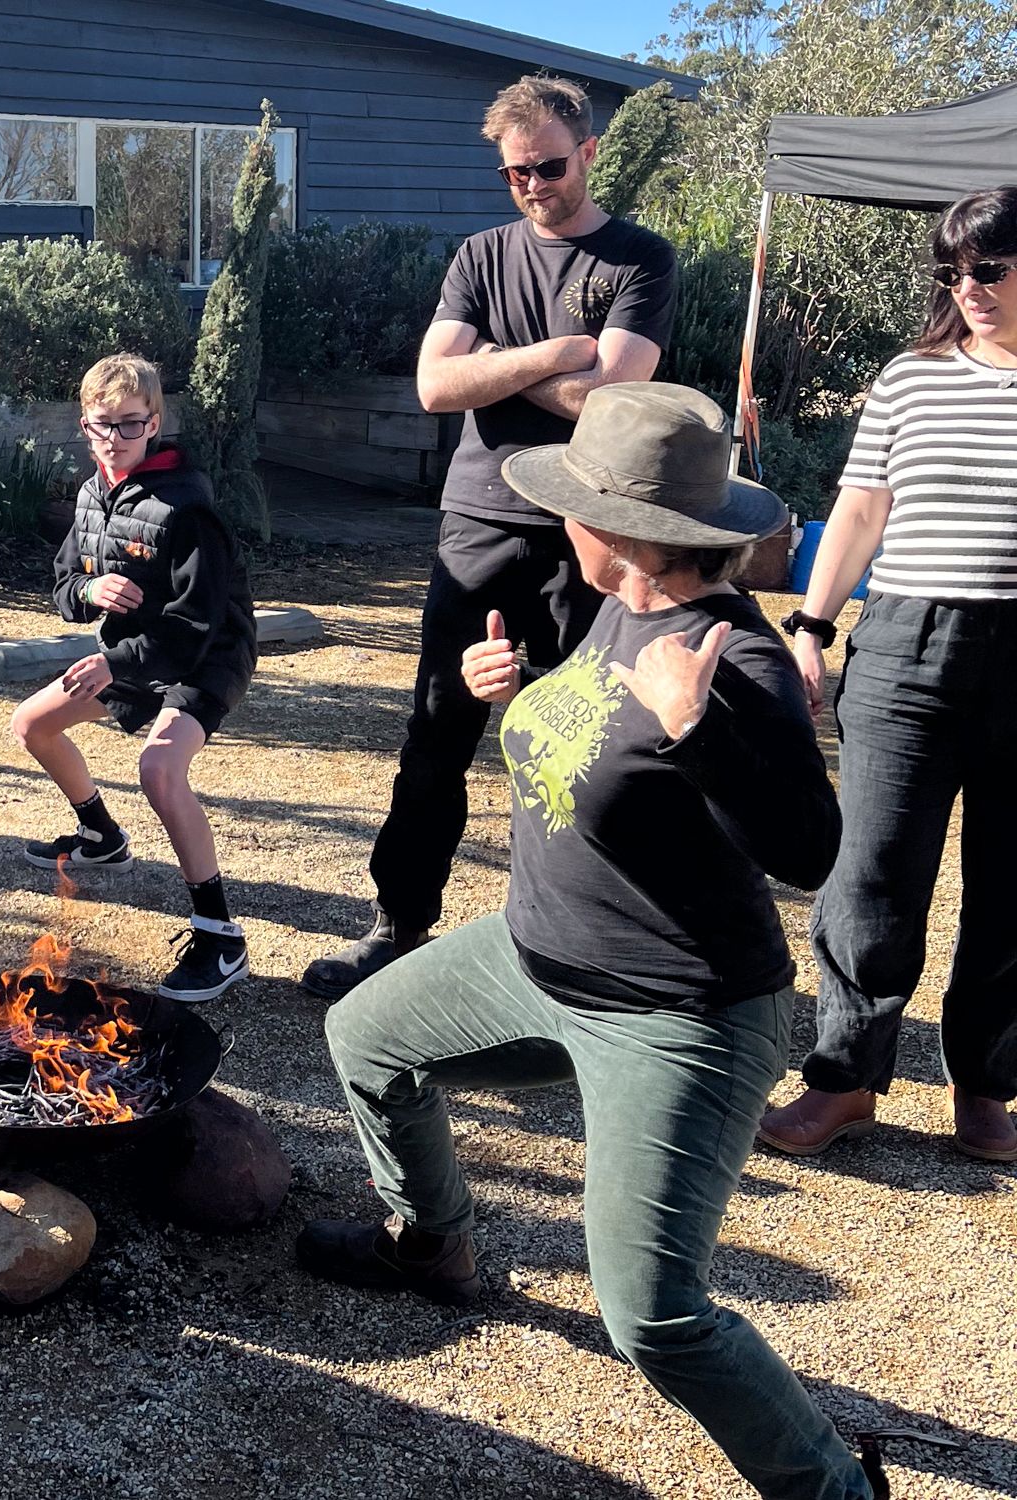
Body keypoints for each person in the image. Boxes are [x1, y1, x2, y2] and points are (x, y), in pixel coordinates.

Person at [299, 384, 888, 1500]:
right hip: (531, 959)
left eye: (571, 503)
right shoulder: (615, 603)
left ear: (619, 529)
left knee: (651, 1315)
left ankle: (834, 1491)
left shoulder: (734, 660)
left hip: (679, 1017)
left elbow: (810, 850)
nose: (557, 518)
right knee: (366, 1038)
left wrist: (695, 725)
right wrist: (514, 686)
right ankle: (430, 1242)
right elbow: (600, 737)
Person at [301, 73, 677, 1000]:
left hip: (590, 532)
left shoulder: (640, 258)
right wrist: (556, 355)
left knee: (583, 742)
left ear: (588, 152)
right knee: (437, 731)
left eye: (549, 167)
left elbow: (616, 399)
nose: (533, 186)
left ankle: (588, 950)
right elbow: (435, 386)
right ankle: (398, 925)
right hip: (477, 522)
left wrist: (493, 368)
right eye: (515, 173)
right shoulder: (479, 255)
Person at [758, 187, 1017, 1162]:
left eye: (989, 269)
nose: (968, 288)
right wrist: (809, 625)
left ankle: (985, 1085)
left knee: (1010, 886)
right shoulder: (909, 379)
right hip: (906, 648)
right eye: (952, 272)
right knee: (869, 873)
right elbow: (861, 509)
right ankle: (844, 1078)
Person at [10, 353, 258, 1002]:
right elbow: (64, 585)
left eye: (130, 424)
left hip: (207, 655)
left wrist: (114, 662)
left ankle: (220, 937)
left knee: (159, 770)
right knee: (31, 724)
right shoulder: (92, 493)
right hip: (133, 654)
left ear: (154, 423)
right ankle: (101, 836)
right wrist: (89, 589)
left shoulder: (188, 508)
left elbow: (193, 627)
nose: (115, 437)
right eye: (103, 424)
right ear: (85, 425)